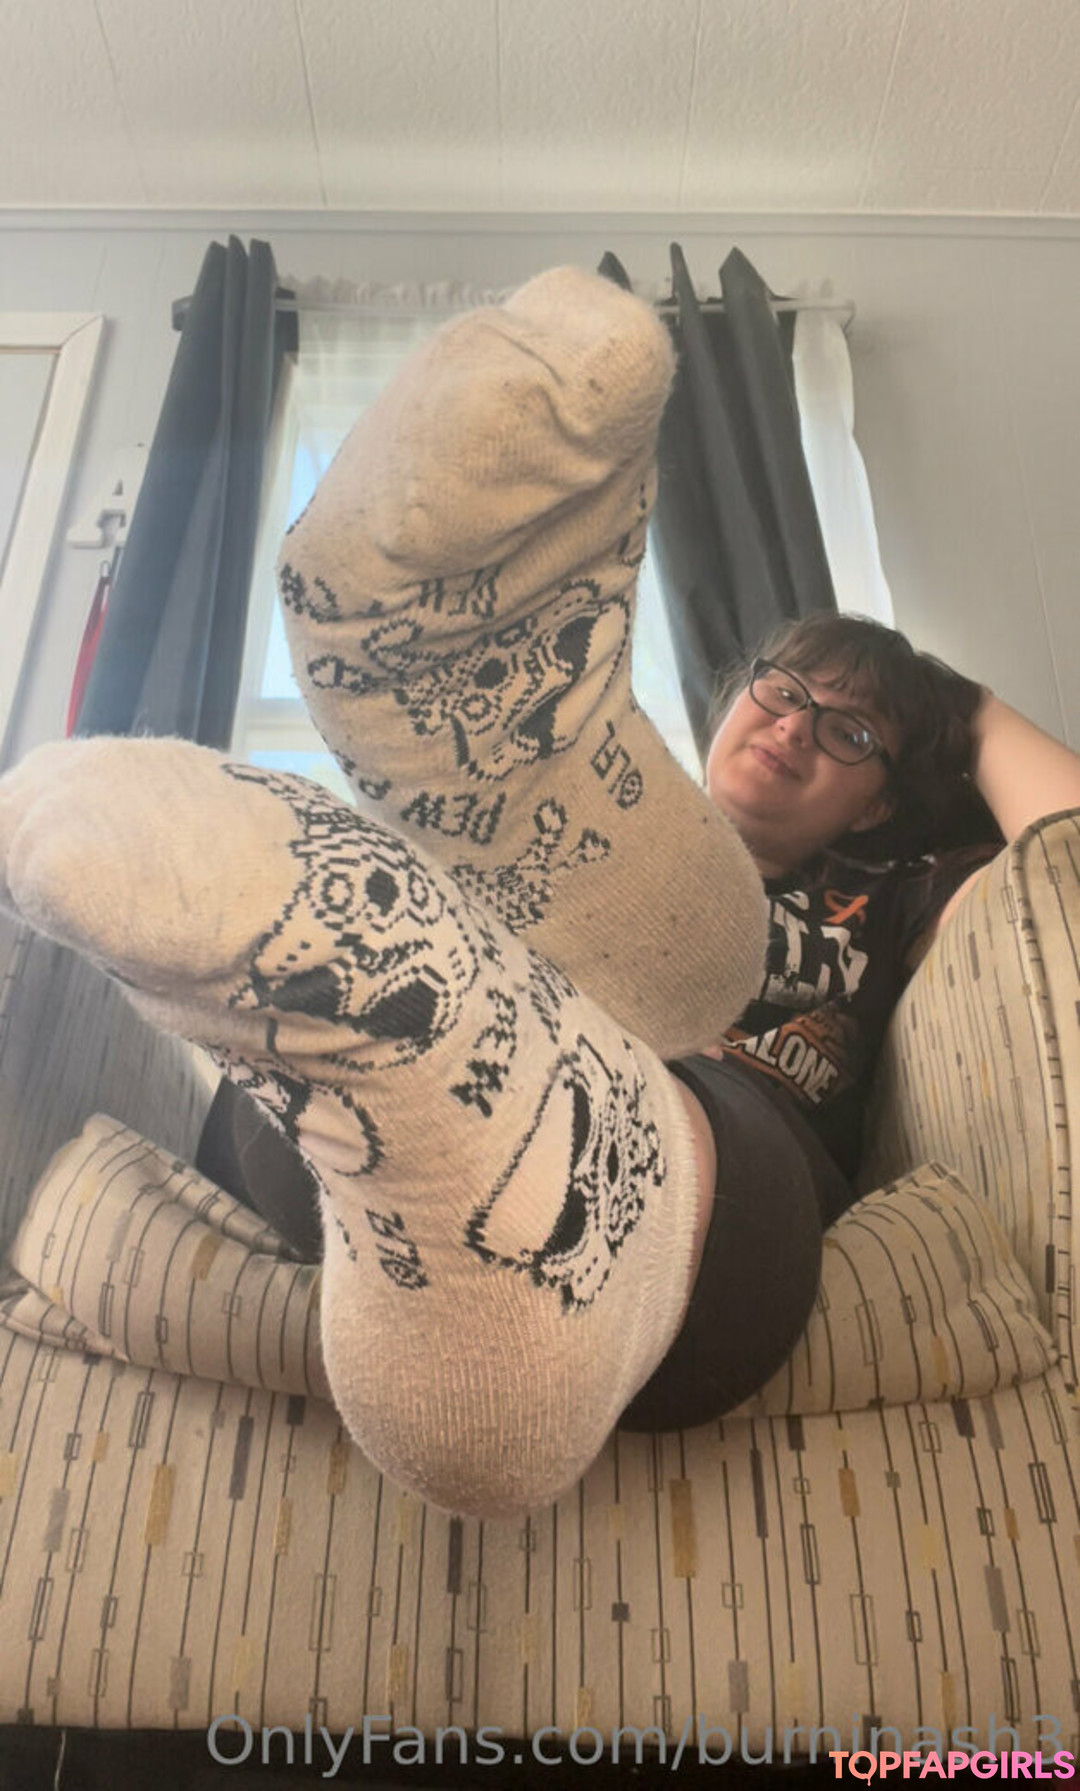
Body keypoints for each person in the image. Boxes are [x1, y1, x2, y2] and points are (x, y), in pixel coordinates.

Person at [0, 269, 1077, 1521]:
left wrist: (961, 703)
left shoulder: (894, 894)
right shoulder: (574, 830)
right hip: (404, 1076)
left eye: (849, 733)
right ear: (729, 698)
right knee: (480, 971)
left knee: (628, 1063)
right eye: (783, 691)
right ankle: (549, 946)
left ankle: (487, 1030)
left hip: (719, 1174)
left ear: (883, 803)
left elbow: (1065, 858)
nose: (794, 727)